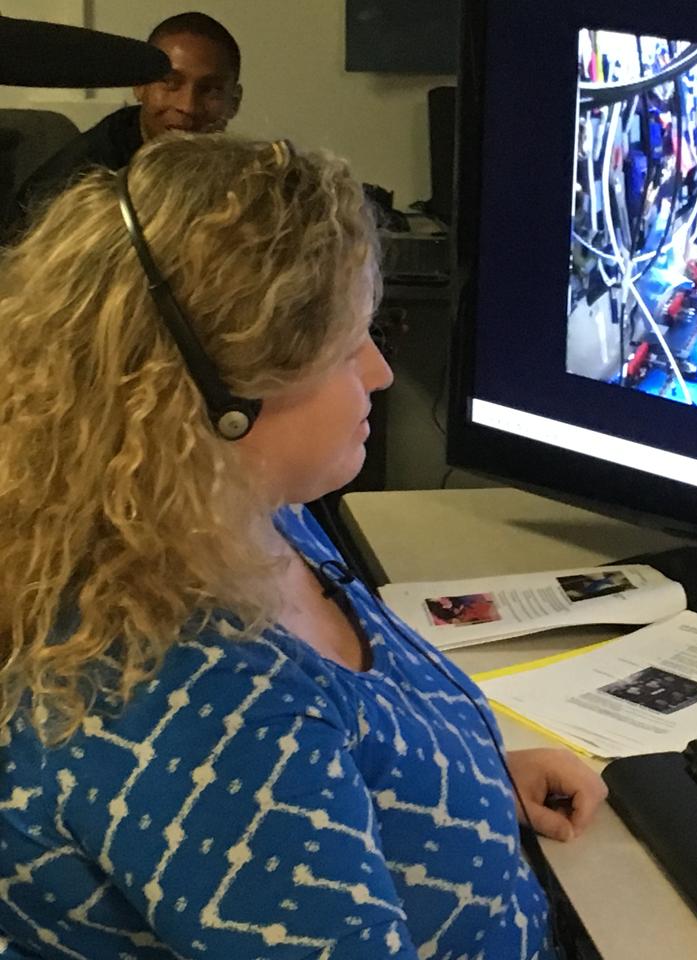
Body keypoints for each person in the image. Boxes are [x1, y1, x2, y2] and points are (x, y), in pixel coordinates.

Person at [0, 134, 606, 957]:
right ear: (227, 400)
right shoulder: (208, 720)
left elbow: (340, 759)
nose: (383, 372)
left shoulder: (227, 510)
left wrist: (471, 788)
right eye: (348, 344)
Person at [5, 11, 242, 234]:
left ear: (235, 101)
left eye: (210, 90)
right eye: (170, 83)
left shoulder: (244, 176)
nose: (188, 106)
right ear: (139, 85)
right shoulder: (80, 187)